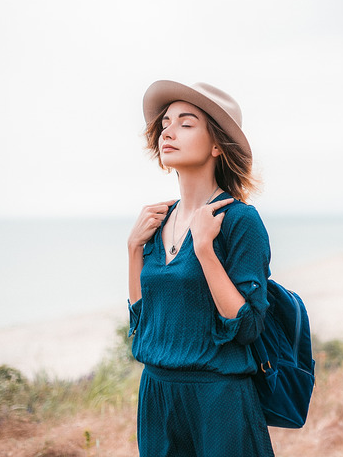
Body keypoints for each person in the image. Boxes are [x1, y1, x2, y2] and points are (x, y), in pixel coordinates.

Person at [127, 80, 275, 456]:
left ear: (215, 145)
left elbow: (247, 326)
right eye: (165, 124)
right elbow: (143, 323)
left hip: (217, 399)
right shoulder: (157, 220)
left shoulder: (240, 220)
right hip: (157, 396)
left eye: (186, 123)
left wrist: (205, 249)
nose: (168, 132)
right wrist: (133, 250)